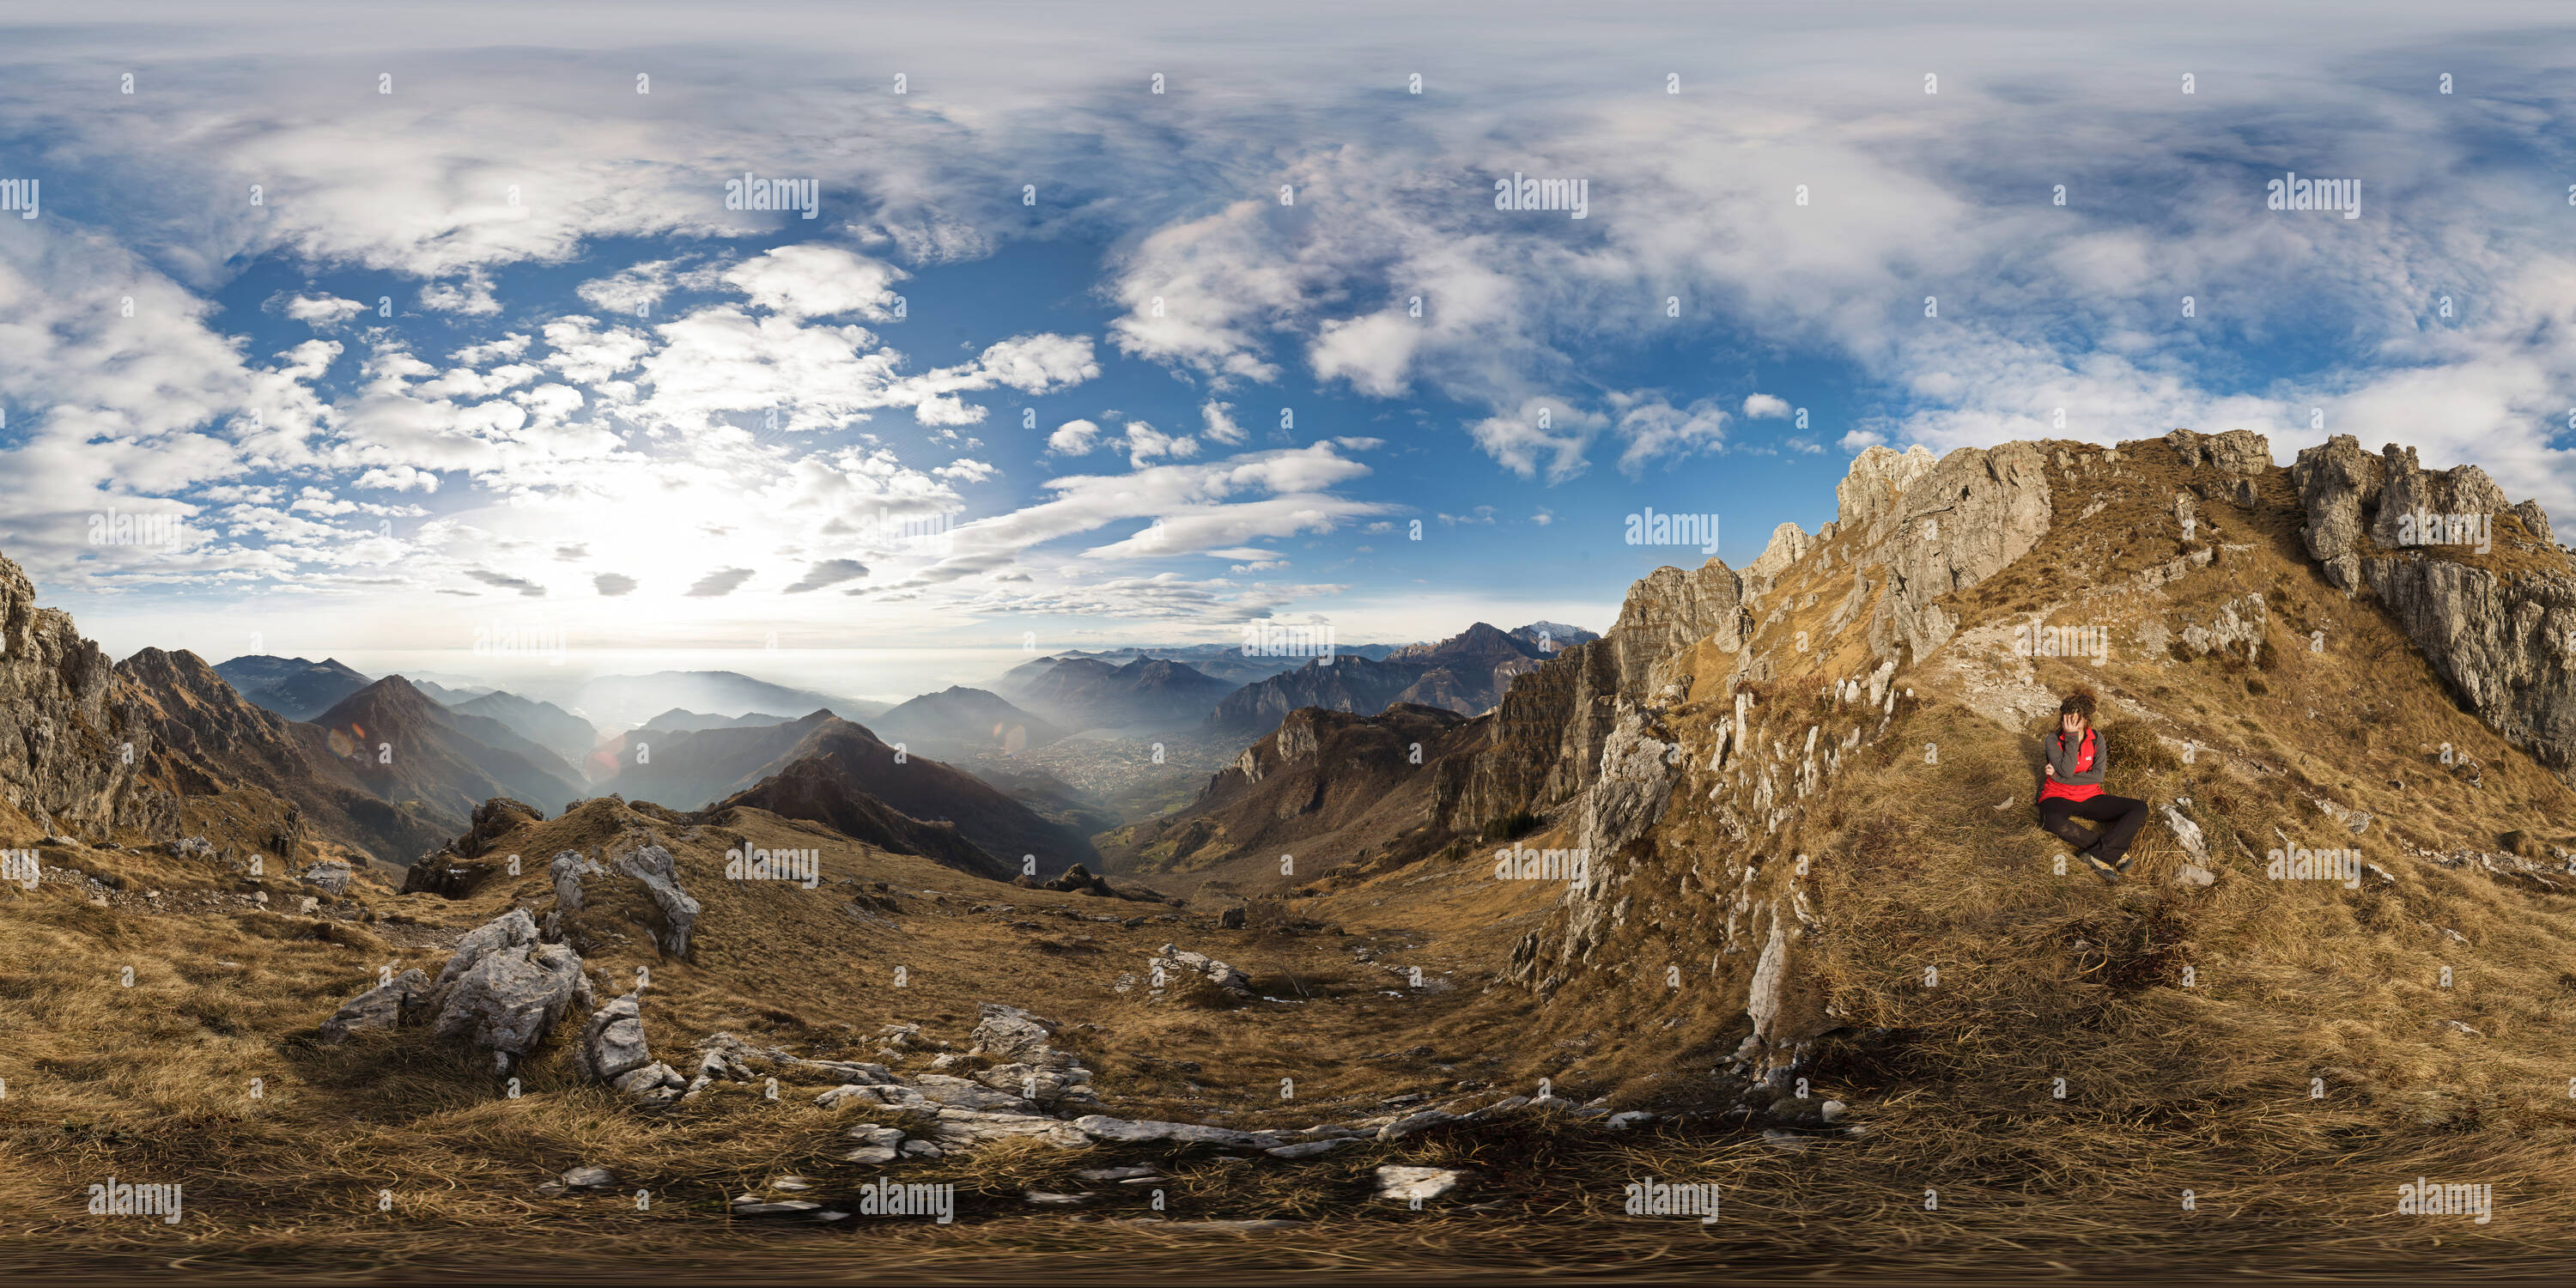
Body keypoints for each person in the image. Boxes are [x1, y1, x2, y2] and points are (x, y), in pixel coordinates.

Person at [2037, 688, 2149, 881]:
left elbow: (2097, 777)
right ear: (2062, 718)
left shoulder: (2097, 739)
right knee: (2051, 821)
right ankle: (2114, 851)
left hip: (2090, 796)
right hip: (2057, 795)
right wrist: (2071, 738)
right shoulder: (2053, 740)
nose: (2071, 723)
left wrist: (2058, 776)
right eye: (2068, 718)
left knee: (2139, 808)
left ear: (2087, 719)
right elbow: (2068, 769)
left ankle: (2098, 854)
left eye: (2077, 719)